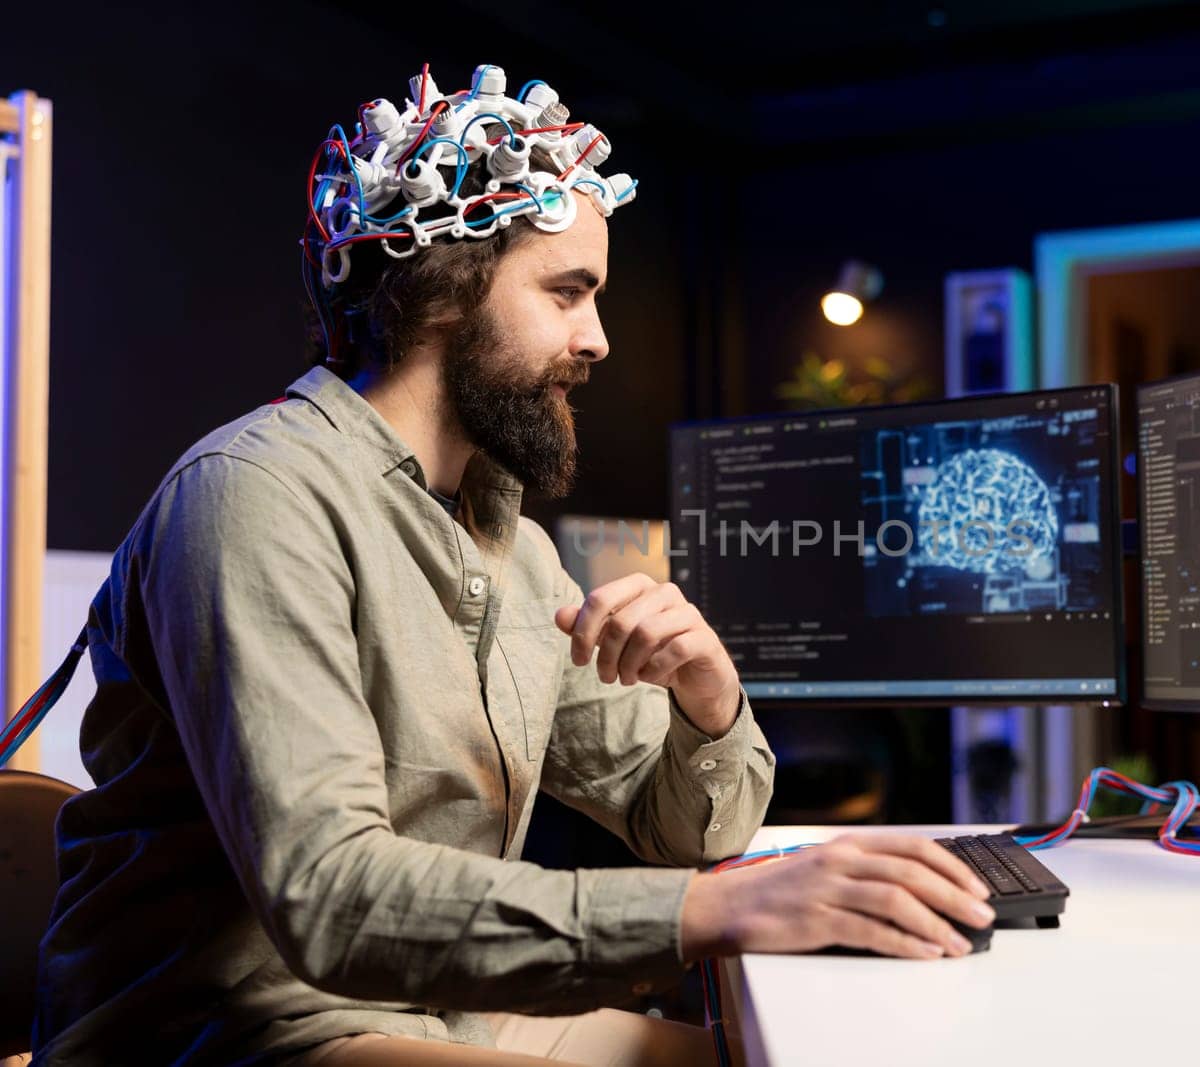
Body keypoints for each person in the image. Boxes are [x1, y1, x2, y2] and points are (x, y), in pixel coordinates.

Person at [28, 64, 993, 1066]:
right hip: (228, 1032)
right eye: (568, 292)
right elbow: (329, 897)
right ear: (443, 292)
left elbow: (685, 829)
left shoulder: (514, 550)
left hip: (430, 1008)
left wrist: (707, 699)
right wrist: (709, 910)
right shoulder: (254, 495)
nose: (599, 337)